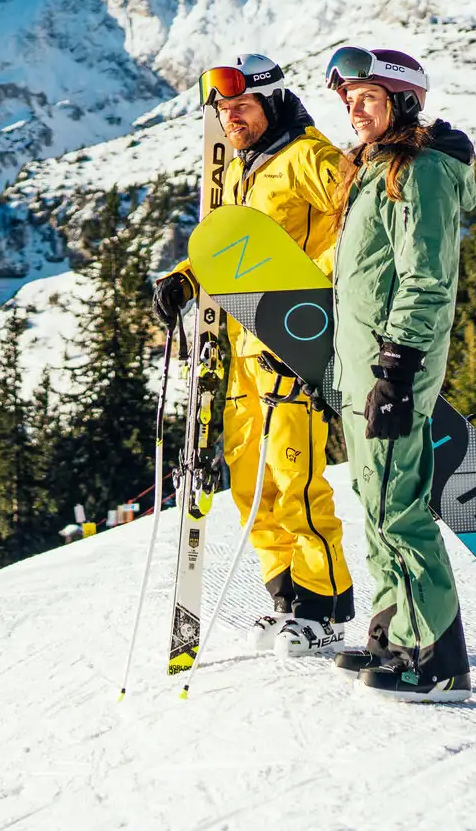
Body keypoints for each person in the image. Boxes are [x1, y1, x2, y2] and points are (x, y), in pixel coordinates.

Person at [153, 53, 355, 656]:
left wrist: (311, 296)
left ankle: (324, 610)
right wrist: (186, 277)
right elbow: (238, 248)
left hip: (294, 345)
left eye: (242, 107)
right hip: (243, 348)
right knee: (251, 484)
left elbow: (365, 223)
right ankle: (287, 601)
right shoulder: (246, 168)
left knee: (297, 481)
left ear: (272, 102)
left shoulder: (308, 157)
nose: (231, 119)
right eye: (224, 110)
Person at [320, 44, 476, 701]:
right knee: (376, 500)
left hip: (394, 367)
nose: (356, 111)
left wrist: (398, 366)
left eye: (369, 98)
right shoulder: (372, 169)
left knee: (399, 507)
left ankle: (438, 660)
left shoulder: (422, 172)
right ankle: (393, 636)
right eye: (350, 100)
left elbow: (426, 276)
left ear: (405, 102)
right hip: (363, 369)